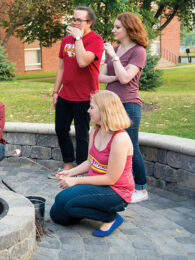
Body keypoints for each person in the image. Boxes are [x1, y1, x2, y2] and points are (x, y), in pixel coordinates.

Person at [50, 90, 134, 237]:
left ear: (105, 111)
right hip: (96, 185)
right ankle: (87, 206)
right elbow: (90, 162)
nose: (88, 110)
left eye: (92, 107)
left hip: (115, 191)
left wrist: (75, 181)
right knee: (57, 215)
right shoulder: (95, 131)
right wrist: (70, 172)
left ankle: (110, 217)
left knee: (63, 200)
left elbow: (111, 179)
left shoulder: (120, 139)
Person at [99, 12, 149, 203]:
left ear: (129, 29)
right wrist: (115, 76)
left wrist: (115, 58)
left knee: (131, 147)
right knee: (111, 146)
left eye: (117, 27)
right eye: (114, 26)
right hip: (110, 105)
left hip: (128, 105)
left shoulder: (139, 51)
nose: (113, 30)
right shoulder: (114, 48)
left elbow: (127, 78)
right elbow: (100, 77)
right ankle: (119, 183)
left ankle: (142, 189)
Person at [50, 6, 104, 178]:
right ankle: (67, 165)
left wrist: (79, 38)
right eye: (73, 19)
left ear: (89, 23)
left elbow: (82, 61)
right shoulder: (66, 40)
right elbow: (61, 66)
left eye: (79, 20)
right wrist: (55, 91)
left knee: (82, 134)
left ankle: (81, 170)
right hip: (66, 95)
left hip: (85, 97)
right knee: (60, 129)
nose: (74, 22)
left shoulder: (96, 40)